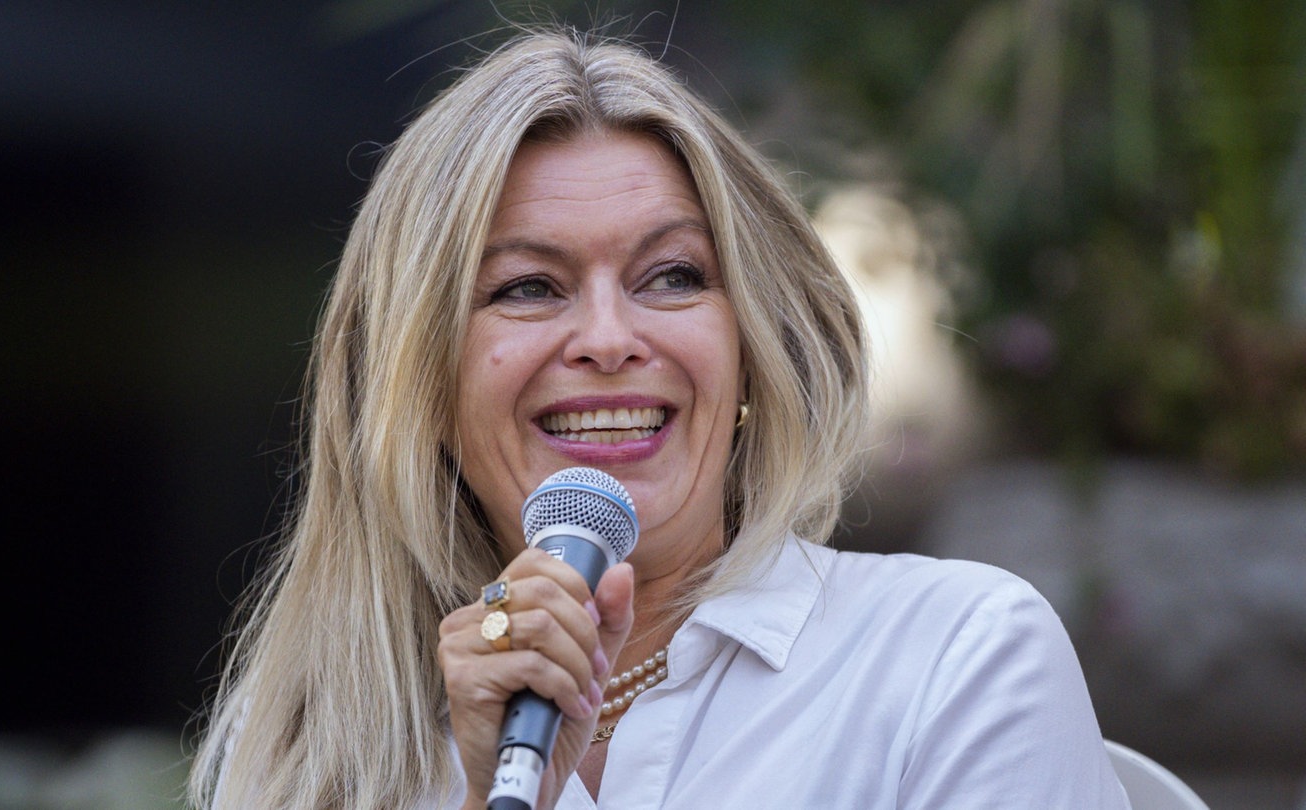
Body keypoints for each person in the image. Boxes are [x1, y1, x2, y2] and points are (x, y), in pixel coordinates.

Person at [189, 26, 1129, 809]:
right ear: (422, 386)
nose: (608, 338)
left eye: (672, 276)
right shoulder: (308, 742)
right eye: (528, 287)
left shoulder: (956, 657)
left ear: (752, 350)